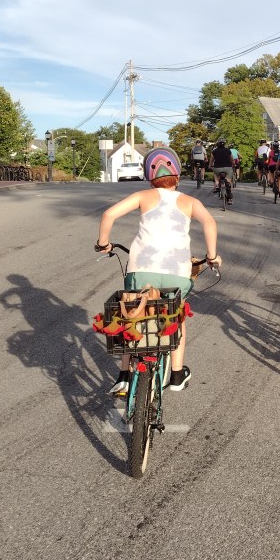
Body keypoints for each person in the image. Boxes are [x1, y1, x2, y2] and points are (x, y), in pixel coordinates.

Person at [95, 147, 222, 394]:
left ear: (150, 177)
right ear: (177, 176)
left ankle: (124, 375)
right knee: (176, 314)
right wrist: (211, 256)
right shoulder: (190, 202)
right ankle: (176, 374)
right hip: (177, 273)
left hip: (141, 270)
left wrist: (104, 244)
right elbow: (209, 221)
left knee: (133, 312)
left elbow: (109, 214)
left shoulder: (143, 196)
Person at [210, 138, 234, 204]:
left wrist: (210, 166)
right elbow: (232, 159)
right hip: (228, 168)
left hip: (217, 168)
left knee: (215, 174)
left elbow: (211, 160)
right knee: (228, 182)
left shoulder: (214, 151)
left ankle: (217, 184)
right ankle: (230, 199)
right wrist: (234, 165)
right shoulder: (228, 150)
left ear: (217, 144)